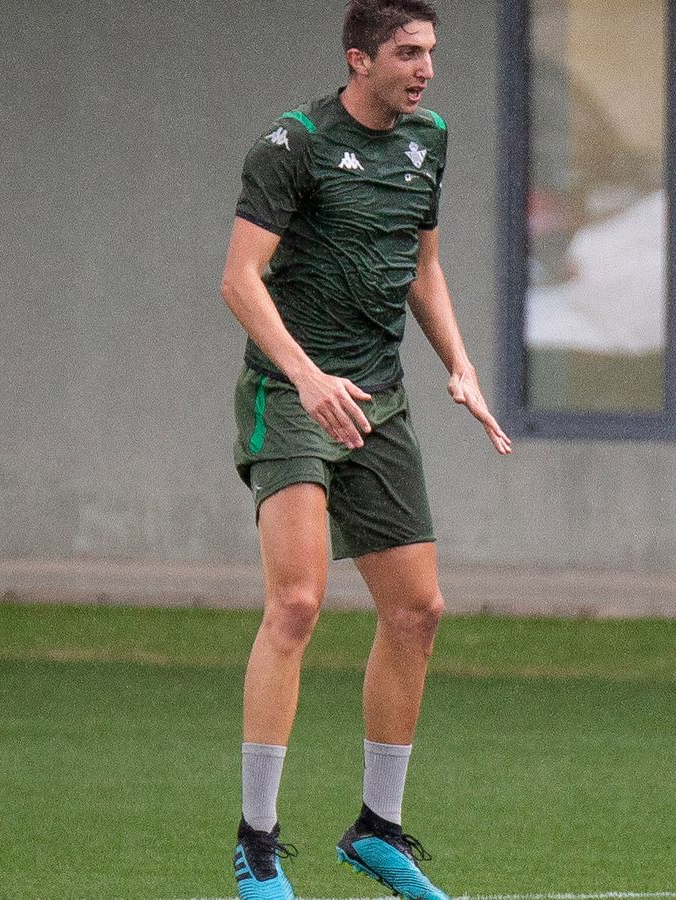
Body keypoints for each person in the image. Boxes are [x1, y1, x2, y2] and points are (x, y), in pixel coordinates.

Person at [218, 2, 510, 898]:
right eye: (408, 53)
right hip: (293, 395)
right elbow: (238, 279)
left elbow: (422, 264)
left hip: (379, 402)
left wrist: (459, 364)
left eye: (431, 53)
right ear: (360, 59)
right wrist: (305, 377)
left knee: (419, 611)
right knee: (299, 602)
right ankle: (257, 844)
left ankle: (377, 830)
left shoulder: (430, 138)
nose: (425, 68)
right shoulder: (292, 144)